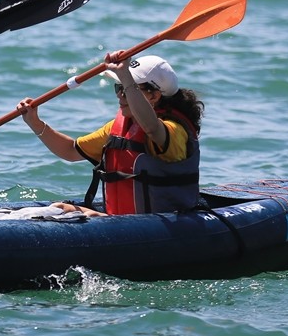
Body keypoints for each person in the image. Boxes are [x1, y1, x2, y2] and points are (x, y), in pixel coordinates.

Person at [16, 54, 204, 216]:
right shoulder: (119, 127)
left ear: (154, 96)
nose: (120, 95)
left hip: (162, 227)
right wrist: (35, 122)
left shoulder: (174, 131)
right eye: (118, 87)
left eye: (128, 89)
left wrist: (125, 75)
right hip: (122, 223)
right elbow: (71, 151)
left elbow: (152, 128)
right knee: (59, 209)